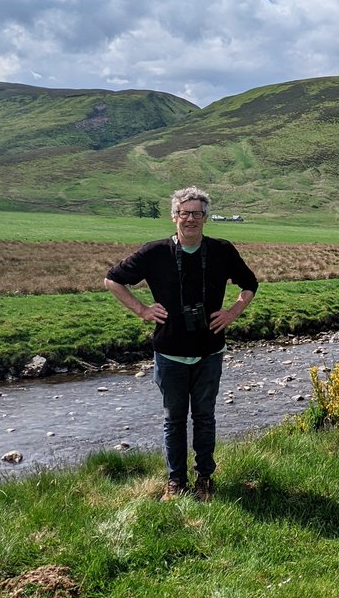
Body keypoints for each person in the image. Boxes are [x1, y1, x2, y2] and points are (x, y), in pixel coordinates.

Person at [105, 187, 258, 502]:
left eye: (196, 213)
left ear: (205, 218)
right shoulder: (154, 252)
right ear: (174, 216)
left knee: (204, 416)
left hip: (209, 351)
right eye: (184, 213)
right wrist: (142, 310)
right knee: (173, 419)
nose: (190, 219)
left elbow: (250, 284)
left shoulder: (222, 251)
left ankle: (204, 478)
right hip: (169, 352)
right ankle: (176, 481)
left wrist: (231, 312)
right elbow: (112, 280)